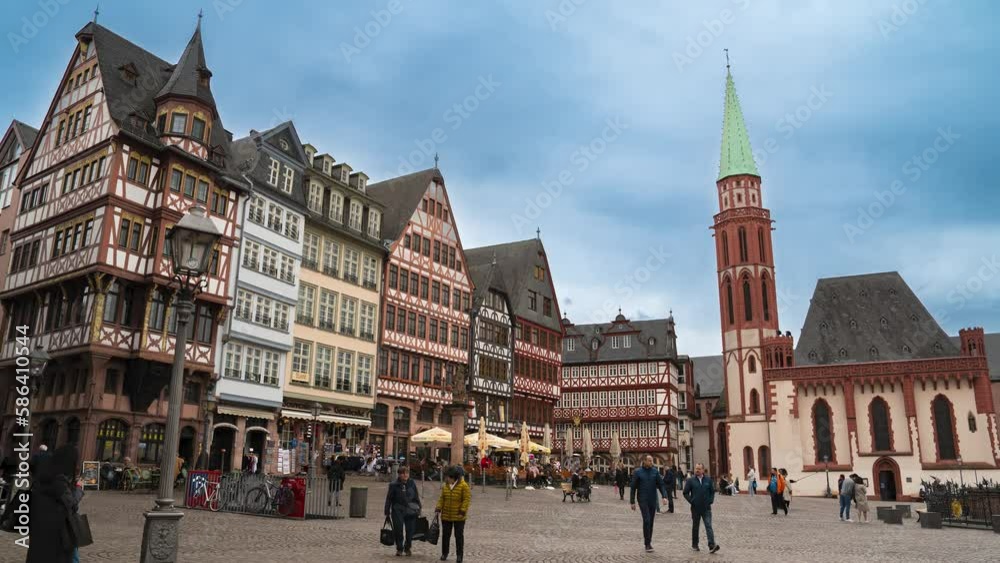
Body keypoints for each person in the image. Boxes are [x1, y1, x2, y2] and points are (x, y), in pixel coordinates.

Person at [27, 445, 82, 563]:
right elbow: (72, 504)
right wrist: (78, 489)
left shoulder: (42, 477)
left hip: (39, 532)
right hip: (58, 535)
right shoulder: (59, 481)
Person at [629, 454, 669, 553]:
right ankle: (647, 544)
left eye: (652, 461)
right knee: (646, 520)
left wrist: (664, 496)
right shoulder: (638, 472)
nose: (652, 462)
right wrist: (632, 502)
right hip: (642, 499)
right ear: (645, 461)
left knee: (650, 522)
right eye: (650, 461)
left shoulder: (655, 472)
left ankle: (649, 541)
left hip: (652, 499)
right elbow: (633, 487)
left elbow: (661, 485)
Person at [436, 466, 470, 562]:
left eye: (448, 477)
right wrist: (438, 507)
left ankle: (459, 555)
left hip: (459, 516)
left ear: (454, 478)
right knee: (445, 536)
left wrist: (462, 511)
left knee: (458, 536)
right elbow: (442, 498)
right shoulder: (446, 486)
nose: (446, 479)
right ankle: (444, 553)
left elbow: (466, 500)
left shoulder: (464, 486)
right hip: (446, 515)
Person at [683, 463, 719, 553]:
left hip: (706, 508)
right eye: (696, 468)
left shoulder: (708, 480)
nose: (697, 470)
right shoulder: (690, 480)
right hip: (695, 508)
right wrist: (692, 501)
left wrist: (711, 500)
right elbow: (685, 493)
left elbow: (712, 491)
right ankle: (695, 545)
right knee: (695, 526)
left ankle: (711, 545)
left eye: (699, 469)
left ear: (703, 470)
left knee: (708, 526)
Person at [385, 466, 421, 556]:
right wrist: (387, 510)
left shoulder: (412, 483)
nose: (405, 475)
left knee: (410, 531)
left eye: (407, 473)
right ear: (399, 474)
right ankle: (399, 548)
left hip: (410, 510)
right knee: (398, 530)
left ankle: (407, 547)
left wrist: (419, 507)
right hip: (397, 510)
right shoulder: (393, 485)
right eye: (403, 473)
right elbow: (389, 498)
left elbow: (416, 496)